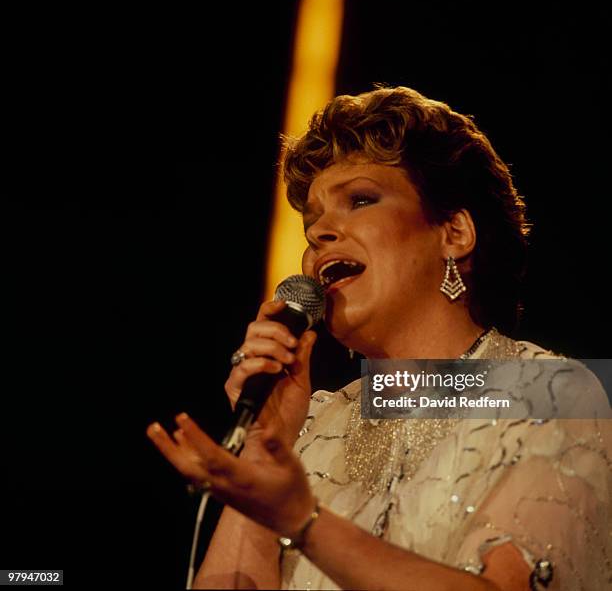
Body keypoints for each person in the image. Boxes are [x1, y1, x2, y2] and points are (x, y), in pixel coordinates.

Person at [147, 86, 611, 590]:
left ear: (454, 233)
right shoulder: (314, 427)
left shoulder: (550, 394)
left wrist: (304, 522)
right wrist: (265, 445)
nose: (322, 231)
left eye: (361, 200)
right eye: (311, 226)